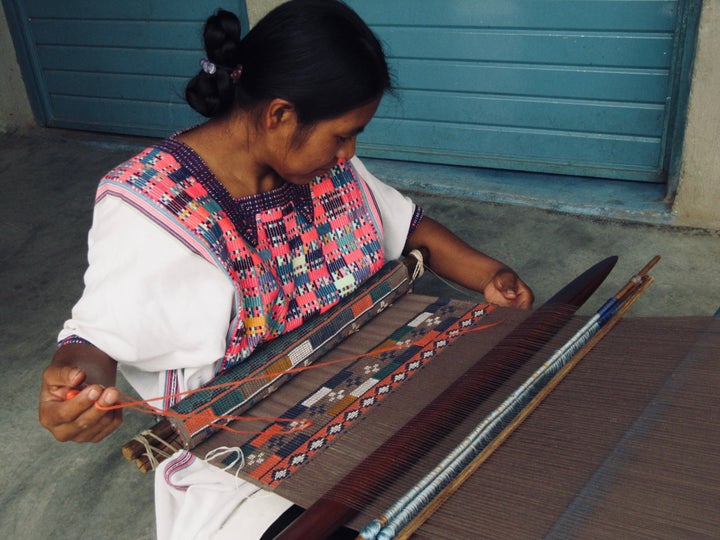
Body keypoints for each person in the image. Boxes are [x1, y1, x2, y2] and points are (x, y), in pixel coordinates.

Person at [38, 1, 534, 538]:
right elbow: (96, 338)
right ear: (279, 115)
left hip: (367, 385)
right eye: (343, 134)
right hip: (244, 464)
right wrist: (79, 389)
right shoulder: (153, 205)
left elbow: (408, 227)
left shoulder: (321, 167)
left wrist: (488, 274)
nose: (349, 153)